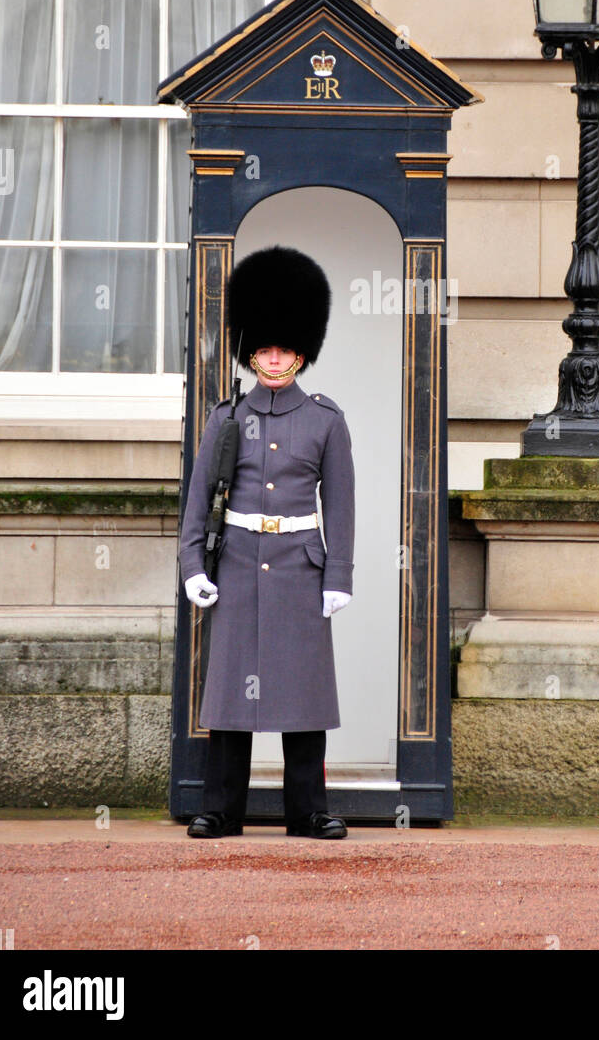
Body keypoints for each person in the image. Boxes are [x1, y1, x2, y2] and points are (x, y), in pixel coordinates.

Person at [180, 244, 355, 839]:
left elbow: (342, 504)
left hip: (300, 566)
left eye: (284, 349)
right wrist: (191, 566)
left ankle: (307, 811)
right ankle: (221, 809)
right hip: (235, 562)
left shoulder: (326, 419)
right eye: (264, 349)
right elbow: (200, 497)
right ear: (251, 351)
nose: (274, 359)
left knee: (303, 695)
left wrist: (339, 577)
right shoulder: (224, 417)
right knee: (230, 692)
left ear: (301, 352)